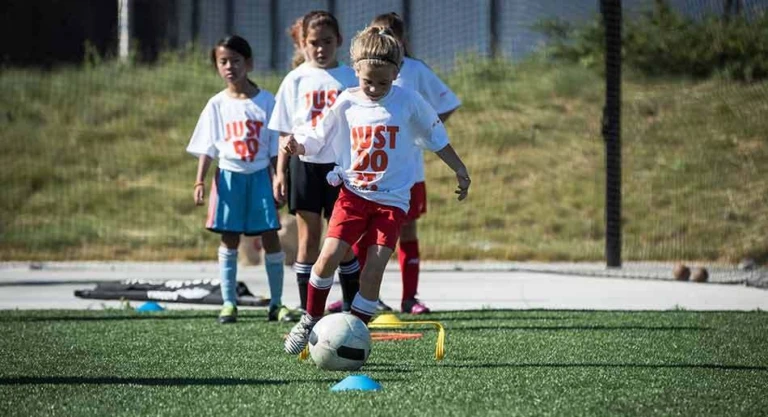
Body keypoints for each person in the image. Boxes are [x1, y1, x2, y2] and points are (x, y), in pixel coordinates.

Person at [282, 26, 471, 355]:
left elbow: (436, 135)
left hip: (392, 202)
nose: (374, 88)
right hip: (353, 196)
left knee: (375, 266)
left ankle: (354, 333)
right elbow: (320, 136)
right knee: (327, 258)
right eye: (368, 81)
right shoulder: (347, 101)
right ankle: (310, 318)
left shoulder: (409, 100)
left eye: (383, 82)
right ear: (356, 70)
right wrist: (298, 145)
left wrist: (459, 168)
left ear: (397, 73)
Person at [328, 12, 463, 315]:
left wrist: (421, 132)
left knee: (406, 232)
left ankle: (409, 297)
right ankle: (358, 296)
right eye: (377, 32)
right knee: (361, 236)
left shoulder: (414, 70)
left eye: (389, 33)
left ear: (401, 41)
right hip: (365, 178)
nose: (383, 39)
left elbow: (447, 103)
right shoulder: (363, 77)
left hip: (406, 174)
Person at [187, 35, 290, 324]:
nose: (229, 66)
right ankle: (229, 303)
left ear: (249, 63)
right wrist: (200, 182)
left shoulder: (267, 101)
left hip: (259, 178)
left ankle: (277, 303)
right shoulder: (216, 104)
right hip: (229, 178)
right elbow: (207, 147)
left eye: (235, 60)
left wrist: (279, 176)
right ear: (217, 66)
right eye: (223, 61)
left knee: (270, 236)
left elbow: (275, 147)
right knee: (229, 238)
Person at [268, 11, 362, 316]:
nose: (320, 48)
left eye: (327, 41)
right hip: (304, 165)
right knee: (308, 241)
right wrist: (280, 171)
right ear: (302, 43)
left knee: (344, 244)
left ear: (340, 41)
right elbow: (286, 130)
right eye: (313, 42)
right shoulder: (295, 79)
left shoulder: (351, 78)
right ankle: (310, 312)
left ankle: (352, 311)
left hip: (342, 168)